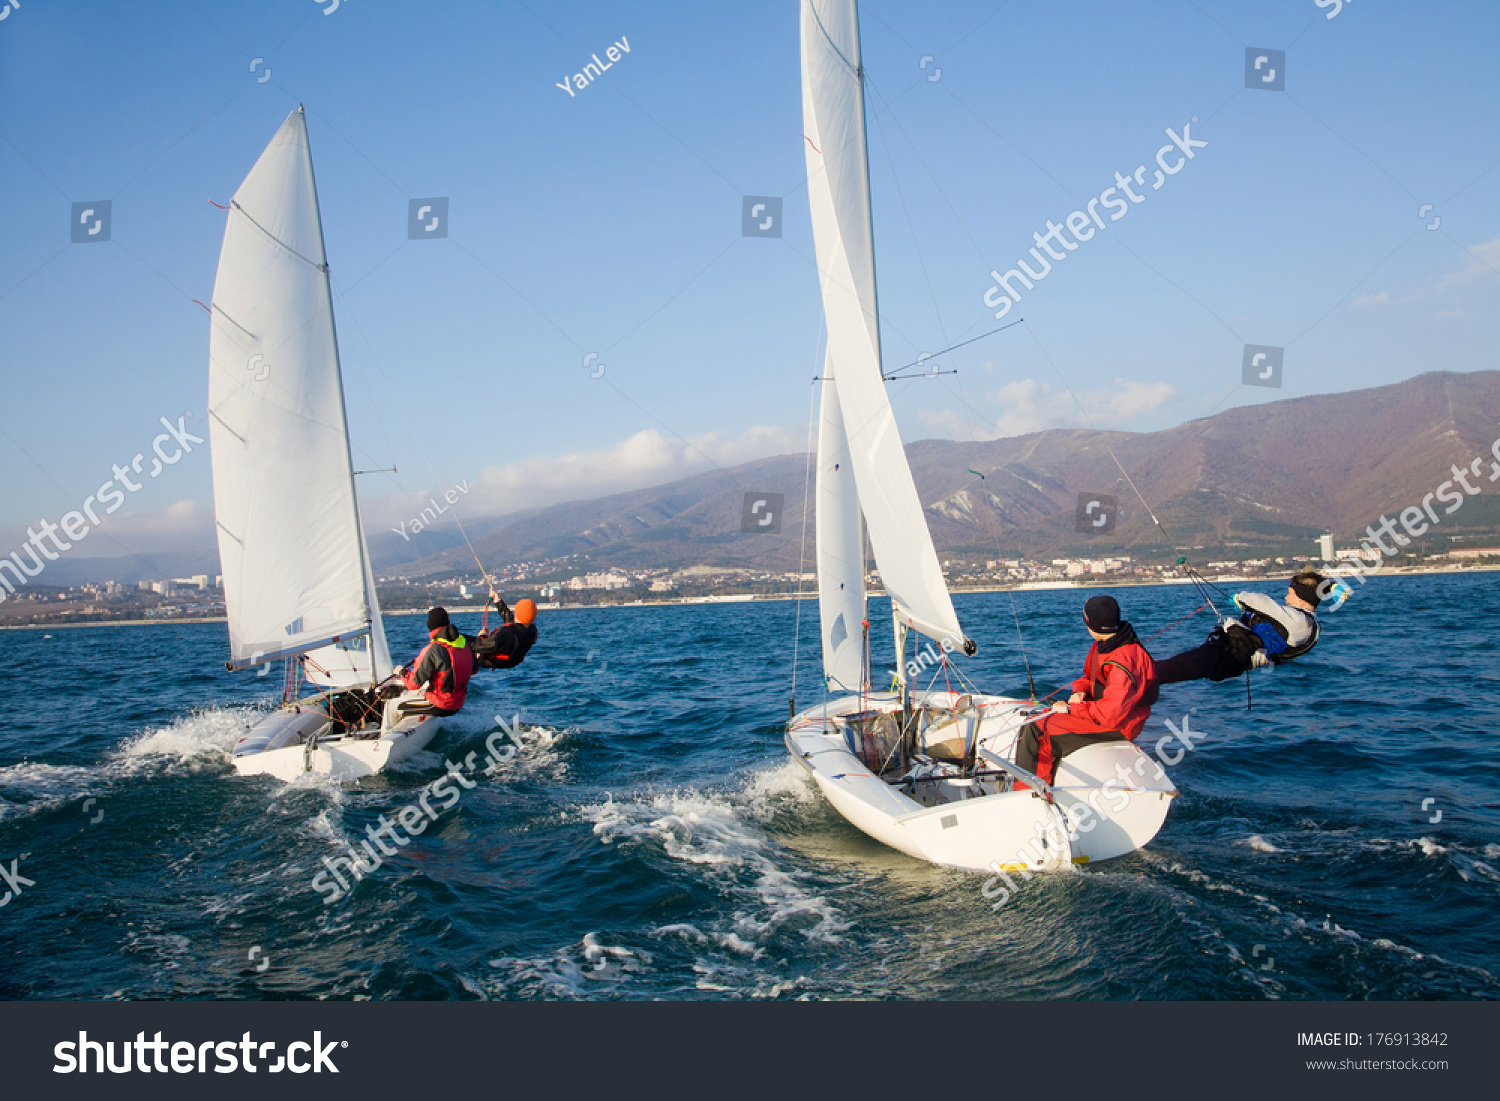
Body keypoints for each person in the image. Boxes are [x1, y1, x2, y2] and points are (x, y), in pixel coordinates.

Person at [1014, 595, 1158, 787]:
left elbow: (1110, 715)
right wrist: (1080, 691)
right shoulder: (1107, 643)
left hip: (1119, 726)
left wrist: (1070, 710)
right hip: (1100, 713)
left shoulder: (1123, 660)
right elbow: (1087, 675)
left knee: (1036, 731)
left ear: (1091, 624)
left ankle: (1030, 796)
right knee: (1037, 718)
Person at [1155, 571, 1324, 685]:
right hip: (1231, 658)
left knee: (1160, 671)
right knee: (1164, 672)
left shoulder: (1300, 622)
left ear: (1302, 598)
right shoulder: (1309, 626)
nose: (1286, 598)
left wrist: (1240, 598)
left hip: (1228, 656)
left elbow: (1263, 602)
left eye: (1290, 593)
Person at [384, 606, 475, 727]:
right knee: (407, 695)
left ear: (430, 626)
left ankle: (385, 740)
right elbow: (473, 669)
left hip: (441, 704)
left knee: (391, 706)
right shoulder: (464, 644)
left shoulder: (433, 650)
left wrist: (402, 672)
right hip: (458, 703)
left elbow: (413, 684)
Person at [473, 592, 539, 670]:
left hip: (489, 659)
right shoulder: (531, 631)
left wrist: (481, 636)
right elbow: (510, 620)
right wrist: (498, 601)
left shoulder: (507, 633)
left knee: (463, 640)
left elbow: (481, 646)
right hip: (512, 661)